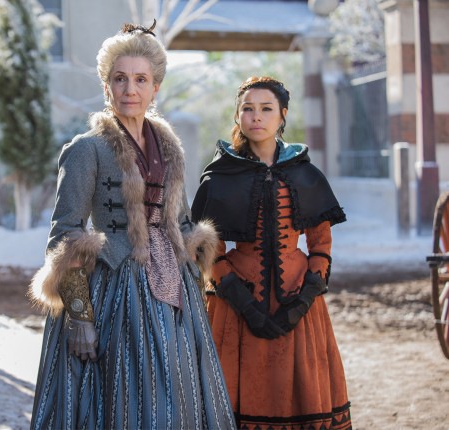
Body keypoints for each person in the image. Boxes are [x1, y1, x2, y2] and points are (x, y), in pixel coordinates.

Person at [29, 21, 236, 430]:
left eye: (141, 79)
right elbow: (66, 235)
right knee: (121, 399)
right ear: (107, 86)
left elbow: (180, 222)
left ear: (155, 87)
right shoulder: (86, 150)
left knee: (178, 394)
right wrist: (79, 316)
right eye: (120, 78)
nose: (130, 89)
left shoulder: (170, 150)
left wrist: (194, 273)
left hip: (172, 284)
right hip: (113, 287)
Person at [191, 76, 352, 430]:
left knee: (298, 394)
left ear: (283, 115)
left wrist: (303, 299)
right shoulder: (220, 176)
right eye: (248, 109)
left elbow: (320, 244)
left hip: (297, 298)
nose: (256, 117)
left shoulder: (305, 174)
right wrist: (241, 300)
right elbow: (209, 247)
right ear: (237, 116)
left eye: (266, 108)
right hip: (234, 302)